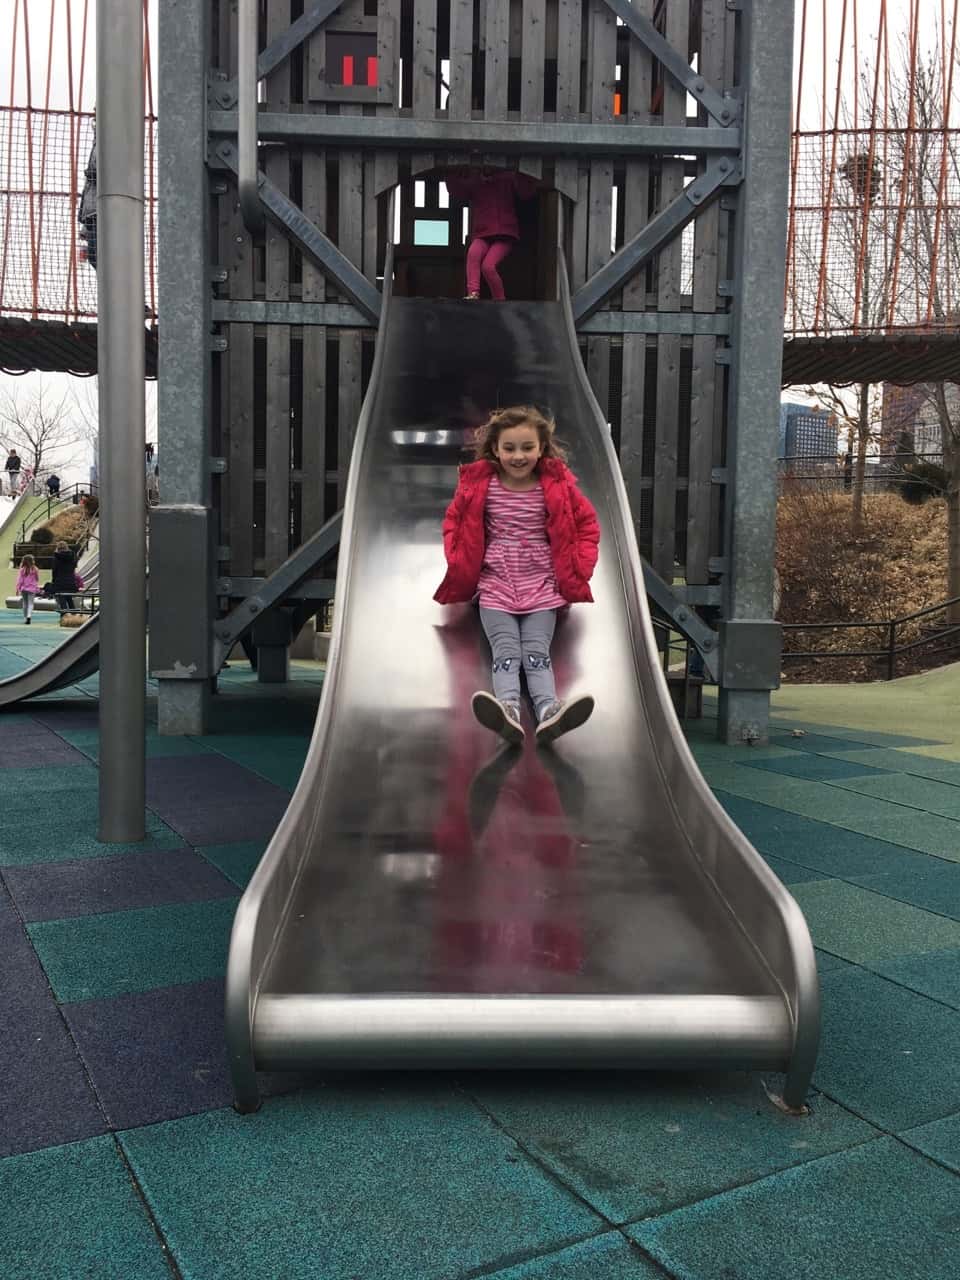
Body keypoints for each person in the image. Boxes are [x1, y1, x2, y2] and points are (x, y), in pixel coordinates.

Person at [434, 405, 600, 745]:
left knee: (536, 652)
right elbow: (454, 522)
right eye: (509, 448)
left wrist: (579, 566)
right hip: (496, 586)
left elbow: (587, 524)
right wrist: (458, 559)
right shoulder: (482, 486)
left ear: (541, 448)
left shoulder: (556, 486)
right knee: (507, 651)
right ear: (495, 449)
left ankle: (548, 711)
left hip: (542, 587)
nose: (518, 455)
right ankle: (507, 710)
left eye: (527, 447)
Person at [443, 163, 539, 301]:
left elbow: (526, 192)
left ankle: (500, 299)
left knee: (488, 266)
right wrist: (449, 172)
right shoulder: (476, 182)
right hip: (483, 233)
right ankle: (473, 293)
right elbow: (457, 190)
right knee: (473, 254)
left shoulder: (508, 178)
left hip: (504, 235)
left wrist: (523, 169)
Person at [50, 540, 78, 613]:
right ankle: (74, 617)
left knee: (62, 601)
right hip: (70, 581)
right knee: (69, 599)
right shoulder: (72, 557)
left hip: (60, 582)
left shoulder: (56, 558)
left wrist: (53, 581)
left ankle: (64, 616)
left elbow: (54, 571)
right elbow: (74, 567)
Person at [15, 554, 40, 625]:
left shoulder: (22, 570)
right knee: (31, 603)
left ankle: (25, 617)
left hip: (24, 588)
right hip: (32, 588)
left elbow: (19, 580)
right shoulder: (35, 569)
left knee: (25, 603)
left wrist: (17, 588)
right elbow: (37, 579)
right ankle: (29, 616)